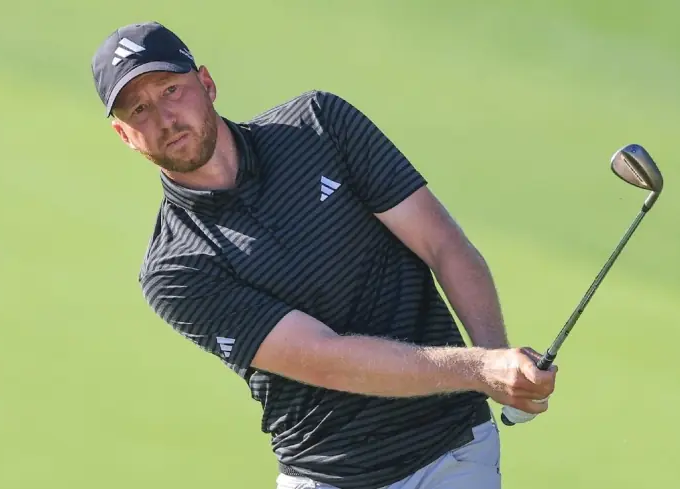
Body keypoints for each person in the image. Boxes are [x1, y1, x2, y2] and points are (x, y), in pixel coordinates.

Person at [90, 21, 558, 489]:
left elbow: (443, 243)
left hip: (455, 452)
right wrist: (482, 370)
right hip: (333, 477)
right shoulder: (175, 268)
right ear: (124, 135)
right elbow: (327, 358)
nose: (165, 118)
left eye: (172, 90)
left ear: (207, 84)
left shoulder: (319, 125)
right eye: (140, 109)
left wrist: (498, 359)